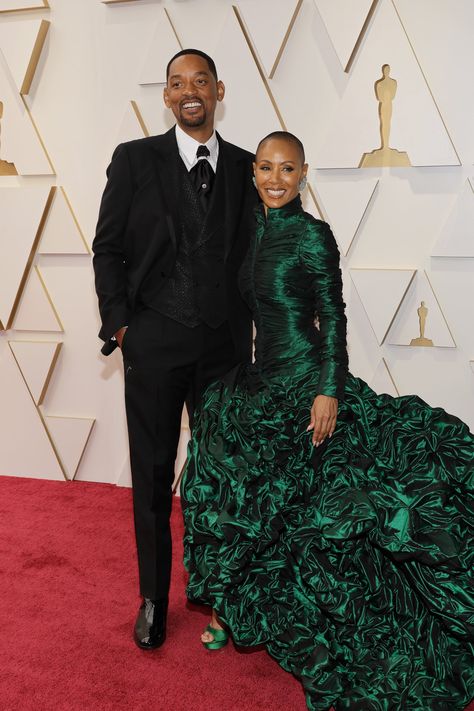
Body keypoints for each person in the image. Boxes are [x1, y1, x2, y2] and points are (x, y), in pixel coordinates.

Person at [182, 131, 474, 709]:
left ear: (304, 173)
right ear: (254, 172)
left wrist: (329, 393)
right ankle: (229, 606)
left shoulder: (314, 237)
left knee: (336, 509)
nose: (274, 179)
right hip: (263, 385)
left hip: (310, 386)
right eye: (265, 168)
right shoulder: (253, 232)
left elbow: (334, 318)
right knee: (222, 476)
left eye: (286, 169)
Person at [92, 49, 257, 650]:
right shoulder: (135, 160)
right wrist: (122, 325)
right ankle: (155, 599)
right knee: (153, 475)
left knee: (222, 476)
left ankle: (218, 593)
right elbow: (107, 248)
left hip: (224, 349)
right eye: (177, 83)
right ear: (166, 96)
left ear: (219, 90)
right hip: (155, 341)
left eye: (201, 81)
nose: (190, 91)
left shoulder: (246, 168)